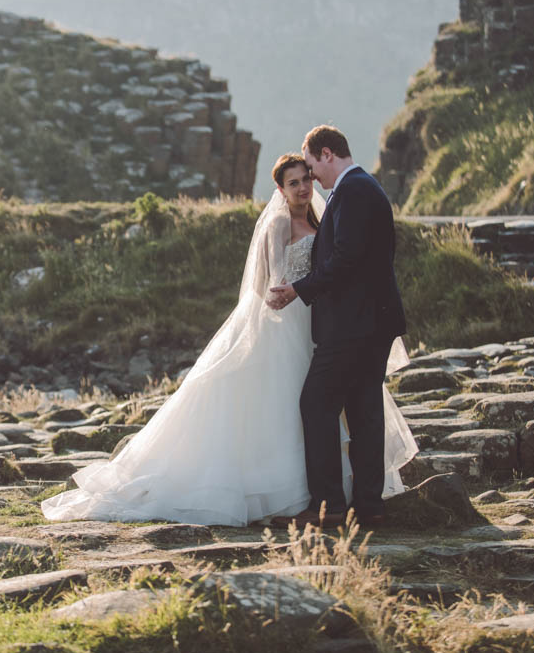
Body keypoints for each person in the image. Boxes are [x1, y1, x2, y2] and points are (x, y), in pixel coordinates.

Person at [40, 152, 417, 526]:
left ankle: (338, 497)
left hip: (320, 323)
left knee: (326, 406)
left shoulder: (321, 221)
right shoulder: (278, 226)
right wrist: (280, 296)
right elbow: (265, 284)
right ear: (281, 190)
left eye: (306, 179)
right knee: (290, 404)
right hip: (287, 323)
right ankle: (295, 493)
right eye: (294, 182)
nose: (303, 187)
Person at [269, 126, 408, 528]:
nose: (312, 180)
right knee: (364, 411)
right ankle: (369, 506)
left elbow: (346, 259)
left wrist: (299, 289)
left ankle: (326, 506)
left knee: (316, 403)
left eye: (311, 168)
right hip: (371, 321)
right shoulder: (364, 189)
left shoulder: (354, 191)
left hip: (352, 325)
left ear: (326, 154)